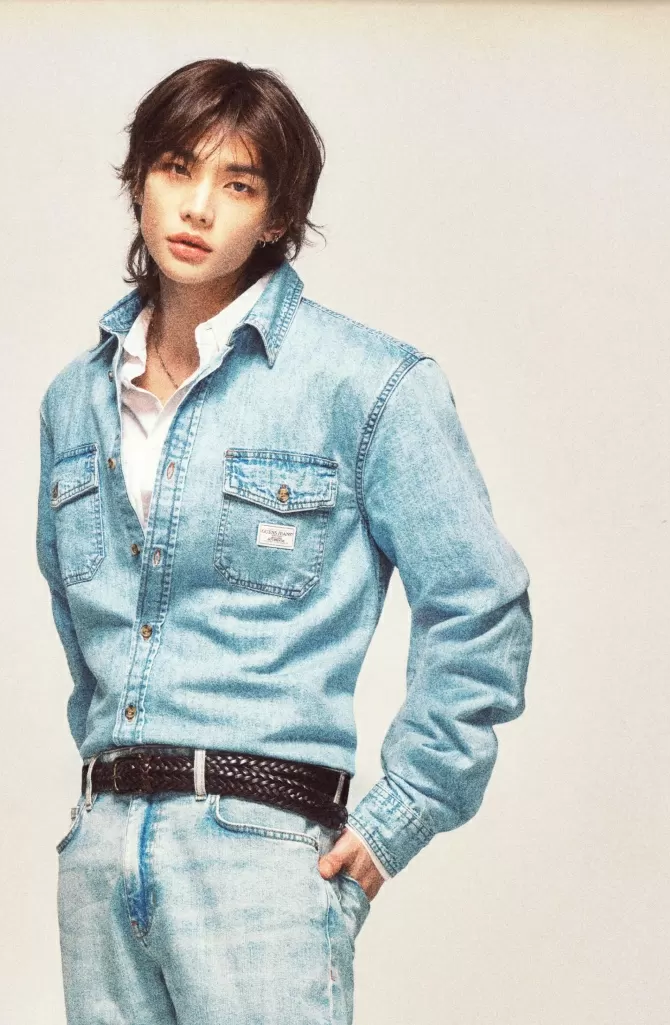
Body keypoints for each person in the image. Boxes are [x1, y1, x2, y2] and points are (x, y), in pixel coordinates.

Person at [35, 58, 533, 1024]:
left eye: (238, 185)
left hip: (259, 853)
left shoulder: (365, 382)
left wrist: (399, 816)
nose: (196, 207)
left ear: (275, 218)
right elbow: (78, 619)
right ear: (139, 178)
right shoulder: (72, 400)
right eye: (177, 169)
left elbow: (481, 604)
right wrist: (101, 821)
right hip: (100, 853)